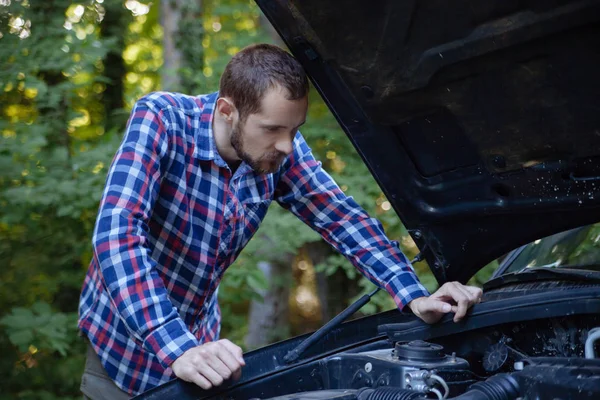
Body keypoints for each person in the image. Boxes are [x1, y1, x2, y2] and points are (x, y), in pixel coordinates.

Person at [78, 43, 482, 399]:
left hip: (201, 346)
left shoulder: (279, 147)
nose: (286, 145)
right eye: (272, 129)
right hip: (125, 346)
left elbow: (340, 217)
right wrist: (176, 347)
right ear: (226, 110)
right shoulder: (162, 120)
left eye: (294, 129)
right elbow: (117, 234)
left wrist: (413, 293)